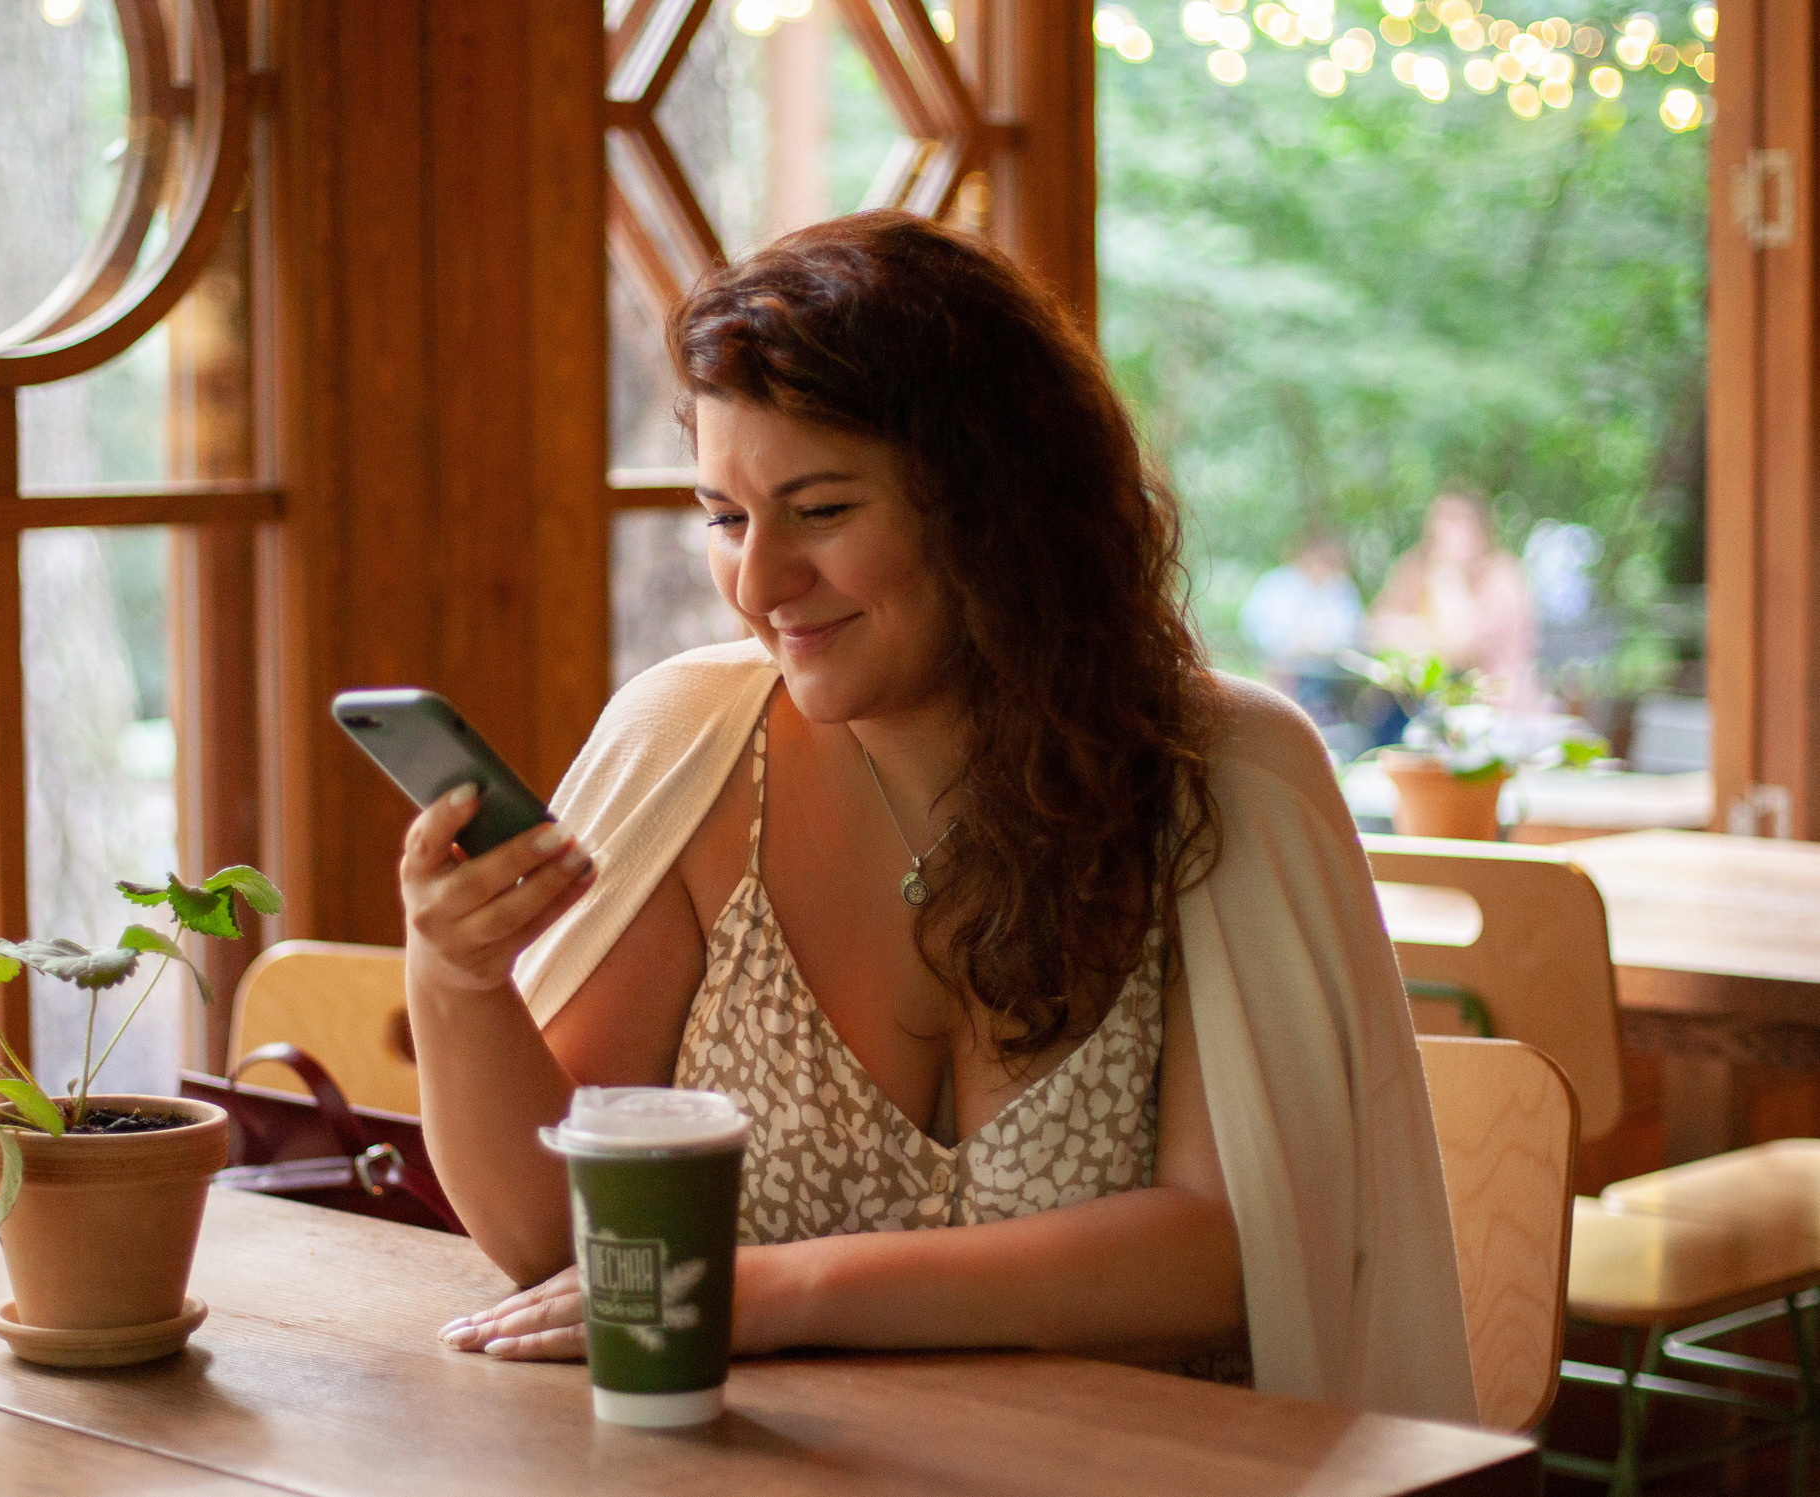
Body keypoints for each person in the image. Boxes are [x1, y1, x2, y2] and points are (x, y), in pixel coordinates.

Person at [403, 213, 1475, 1420]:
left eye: (817, 512)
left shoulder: (1221, 772)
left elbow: (1220, 1255)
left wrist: (782, 1293)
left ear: (991, 505)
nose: (758, 585)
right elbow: (562, 1240)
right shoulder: (690, 750)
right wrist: (456, 981)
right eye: (723, 517)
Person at [1368, 492, 1539, 708]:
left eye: (1458, 520)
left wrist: (1447, 573)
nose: (1447, 530)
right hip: (1416, 705)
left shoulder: (1502, 576)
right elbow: (1378, 628)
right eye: (1441, 520)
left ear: (1481, 529)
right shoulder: (1416, 568)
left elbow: (1461, 649)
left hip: (1493, 711)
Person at [1238, 531, 1365, 722]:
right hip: (1282, 670)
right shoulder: (1276, 584)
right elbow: (1254, 625)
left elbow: (1352, 633)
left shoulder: (1341, 589)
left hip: (1328, 678)